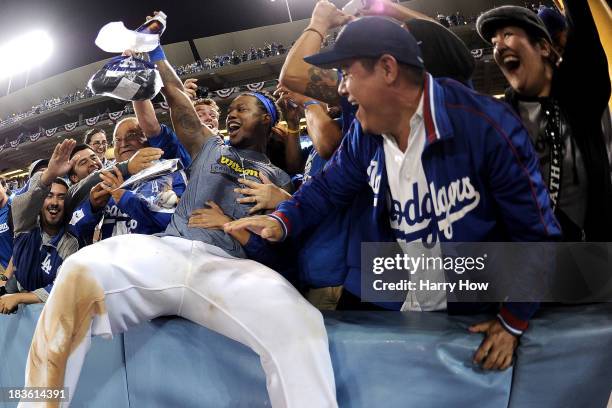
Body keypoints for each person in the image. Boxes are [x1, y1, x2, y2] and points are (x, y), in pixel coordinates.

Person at [21, 14, 337, 407]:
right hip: (168, 248)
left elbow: (285, 239)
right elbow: (177, 101)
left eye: (244, 108)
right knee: (78, 272)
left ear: (268, 121)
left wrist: (276, 202)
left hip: (230, 266)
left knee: (301, 323)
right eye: (230, 110)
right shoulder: (212, 147)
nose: (231, 113)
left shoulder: (281, 179)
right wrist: (155, 53)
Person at [225, 16, 561, 371]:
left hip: (473, 313)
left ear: (387, 69)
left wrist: (513, 320)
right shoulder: (368, 131)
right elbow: (327, 187)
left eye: (347, 73)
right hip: (407, 303)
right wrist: (283, 220)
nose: (341, 88)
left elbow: (536, 236)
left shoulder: (485, 124)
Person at [477, 2, 612, 241]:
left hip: (598, 247)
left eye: (507, 35)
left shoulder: (581, 98)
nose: (498, 47)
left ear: (543, 47)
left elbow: (586, 41)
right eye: (494, 43)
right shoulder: (500, 120)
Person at [0, 141, 99, 313]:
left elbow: (62, 286)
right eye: (49, 196)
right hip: (18, 287)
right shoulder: (25, 225)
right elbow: (22, 204)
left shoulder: (71, 240)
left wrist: (20, 298)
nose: (54, 202)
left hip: (51, 310)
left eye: (61, 197)